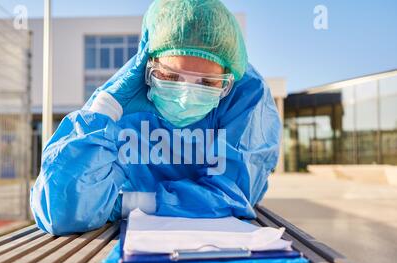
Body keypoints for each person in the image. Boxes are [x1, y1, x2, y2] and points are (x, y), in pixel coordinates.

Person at [31, 0, 281, 236]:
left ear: (229, 78)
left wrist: (127, 203)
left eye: (207, 83)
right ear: (149, 66)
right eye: (171, 77)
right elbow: (62, 209)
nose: (185, 98)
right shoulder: (122, 99)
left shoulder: (245, 95)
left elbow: (232, 196)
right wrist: (106, 107)